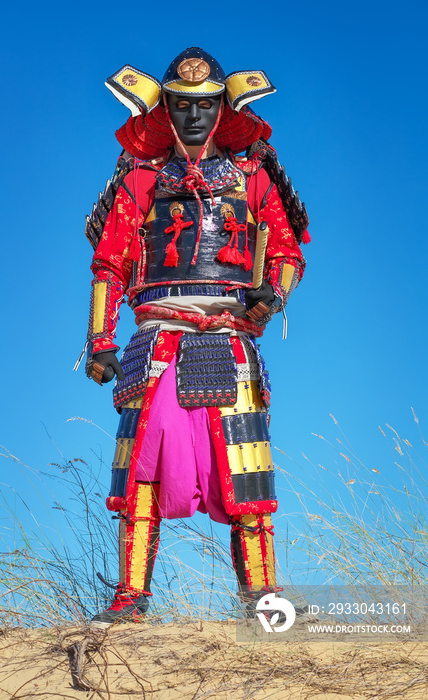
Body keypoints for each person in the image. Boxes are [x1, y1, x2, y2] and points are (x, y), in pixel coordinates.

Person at [83, 47, 310, 629]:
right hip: (158, 337)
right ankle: (131, 598)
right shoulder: (138, 179)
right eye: (182, 105)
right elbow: (110, 261)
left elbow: (285, 251)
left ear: (220, 108)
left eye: (204, 105)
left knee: (247, 475)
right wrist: (99, 339)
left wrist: (272, 295)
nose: (193, 116)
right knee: (139, 472)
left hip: (228, 337)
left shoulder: (253, 176)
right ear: (166, 108)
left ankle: (262, 602)